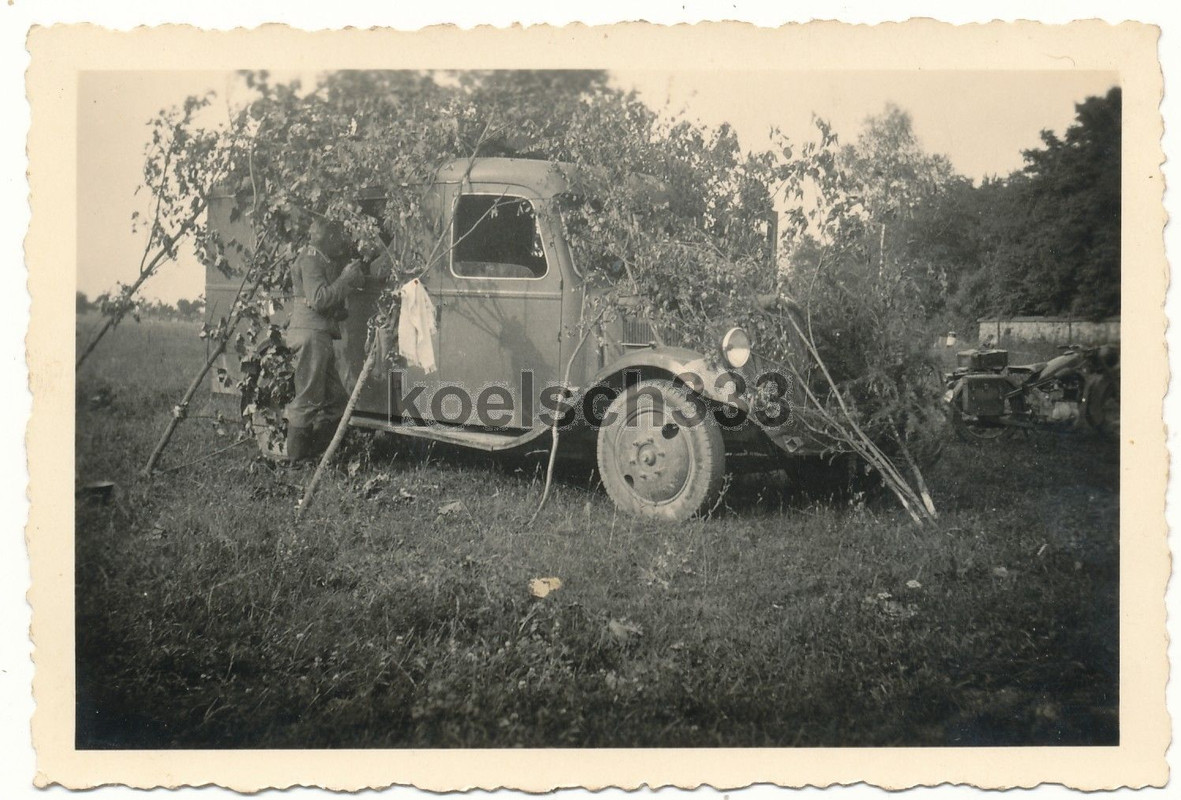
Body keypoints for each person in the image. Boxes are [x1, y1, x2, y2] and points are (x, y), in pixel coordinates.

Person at [284, 217, 367, 460]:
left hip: (318, 334)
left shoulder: (319, 258)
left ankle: (317, 455)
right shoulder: (311, 258)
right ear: (328, 238)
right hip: (311, 334)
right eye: (337, 238)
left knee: (338, 400)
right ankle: (298, 463)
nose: (340, 243)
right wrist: (345, 280)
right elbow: (319, 299)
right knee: (308, 398)